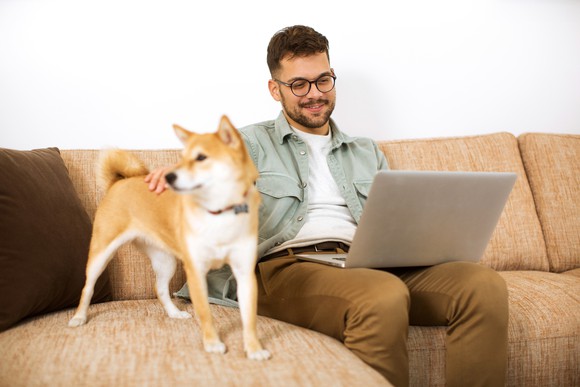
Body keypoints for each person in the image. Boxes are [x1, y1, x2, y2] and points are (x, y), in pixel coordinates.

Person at [146, 25, 509, 387]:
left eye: (323, 80)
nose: (315, 94)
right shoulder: (247, 143)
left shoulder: (367, 151)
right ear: (275, 89)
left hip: (370, 265)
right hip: (288, 267)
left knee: (481, 284)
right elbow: (206, 170)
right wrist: (175, 177)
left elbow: (396, 222)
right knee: (382, 295)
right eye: (299, 84)